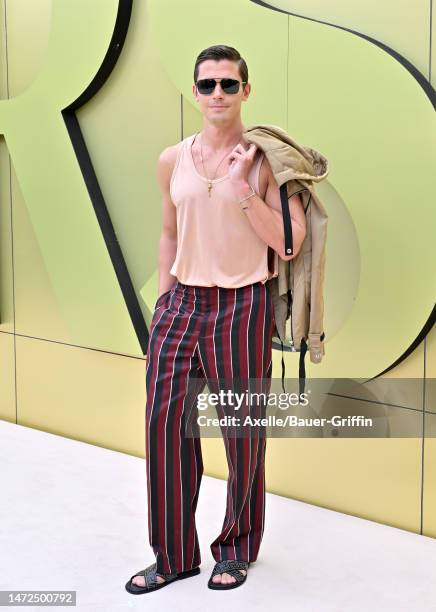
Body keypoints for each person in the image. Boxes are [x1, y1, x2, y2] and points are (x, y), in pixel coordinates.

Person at [125, 44, 307, 595]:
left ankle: (235, 549)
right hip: (182, 305)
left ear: (245, 91)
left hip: (242, 307)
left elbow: (290, 246)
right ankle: (173, 556)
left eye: (229, 84)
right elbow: (169, 234)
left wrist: (244, 194)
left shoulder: (265, 161)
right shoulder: (171, 159)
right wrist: (163, 304)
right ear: (196, 91)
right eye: (208, 85)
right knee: (163, 430)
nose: (218, 95)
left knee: (242, 435)